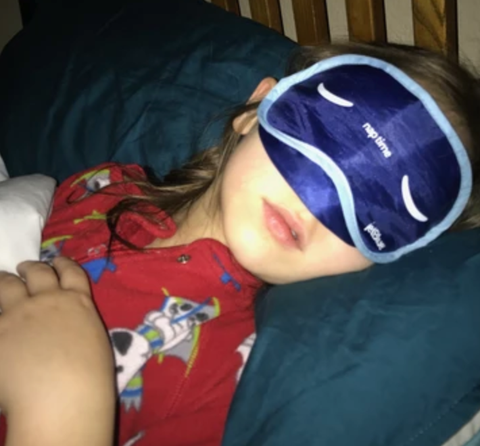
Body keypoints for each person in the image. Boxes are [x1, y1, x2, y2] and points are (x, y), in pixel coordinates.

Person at [0, 42, 479, 446]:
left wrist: (62, 405)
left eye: (383, 207)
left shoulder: (228, 380)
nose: (319, 201)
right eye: (330, 133)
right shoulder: (103, 186)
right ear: (256, 109)